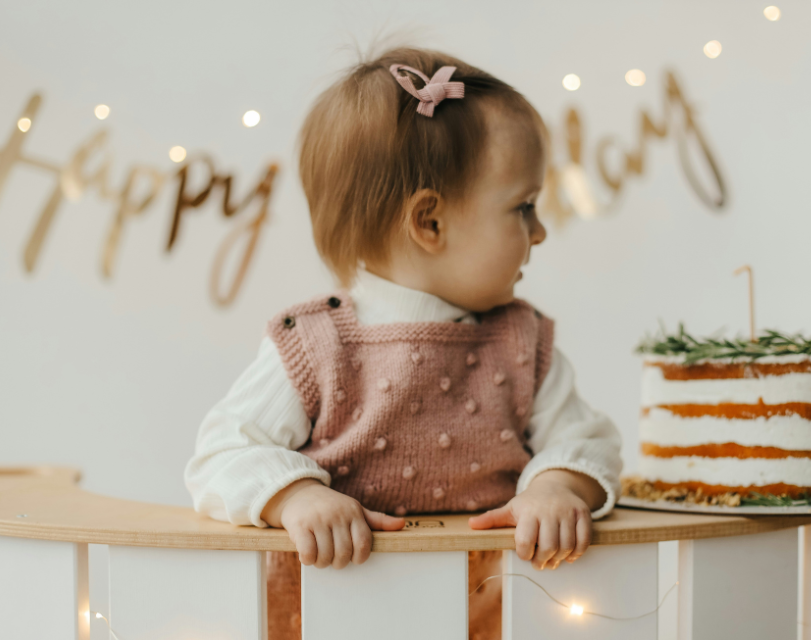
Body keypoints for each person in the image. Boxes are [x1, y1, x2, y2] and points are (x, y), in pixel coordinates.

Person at [185, 46, 622, 640]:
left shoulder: (523, 344)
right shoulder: (316, 347)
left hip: (488, 621)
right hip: (329, 618)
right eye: (523, 207)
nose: (539, 232)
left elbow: (589, 442)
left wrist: (556, 486)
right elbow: (220, 455)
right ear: (429, 223)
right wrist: (295, 497)